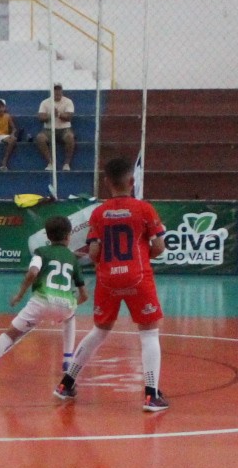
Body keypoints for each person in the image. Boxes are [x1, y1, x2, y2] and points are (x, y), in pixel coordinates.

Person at [56, 158, 168, 413]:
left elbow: (94, 253)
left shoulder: (98, 213)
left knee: (100, 330)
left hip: (107, 278)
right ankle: (151, 395)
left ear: (106, 183)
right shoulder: (145, 210)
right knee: (149, 333)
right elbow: (159, 248)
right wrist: (138, 255)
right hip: (138, 277)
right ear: (132, 181)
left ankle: (66, 383)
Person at [0, 214, 84, 387]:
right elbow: (84, 294)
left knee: (10, 334)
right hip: (65, 304)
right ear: (69, 236)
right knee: (70, 317)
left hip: (40, 302)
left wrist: (19, 295)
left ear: (48, 237)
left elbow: (33, 272)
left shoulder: (41, 252)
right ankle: (67, 361)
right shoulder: (72, 258)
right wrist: (72, 303)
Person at [35, 84, 76, 172]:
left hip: (64, 129)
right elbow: (41, 117)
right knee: (40, 138)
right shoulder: (45, 102)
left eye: (58, 90)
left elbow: (69, 117)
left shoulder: (68, 101)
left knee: (70, 137)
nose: (57, 92)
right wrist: (50, 116)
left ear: (61, 91)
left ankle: (66, 164)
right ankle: (50, 162)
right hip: (48, 130)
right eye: (55, 90)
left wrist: (59, 114)